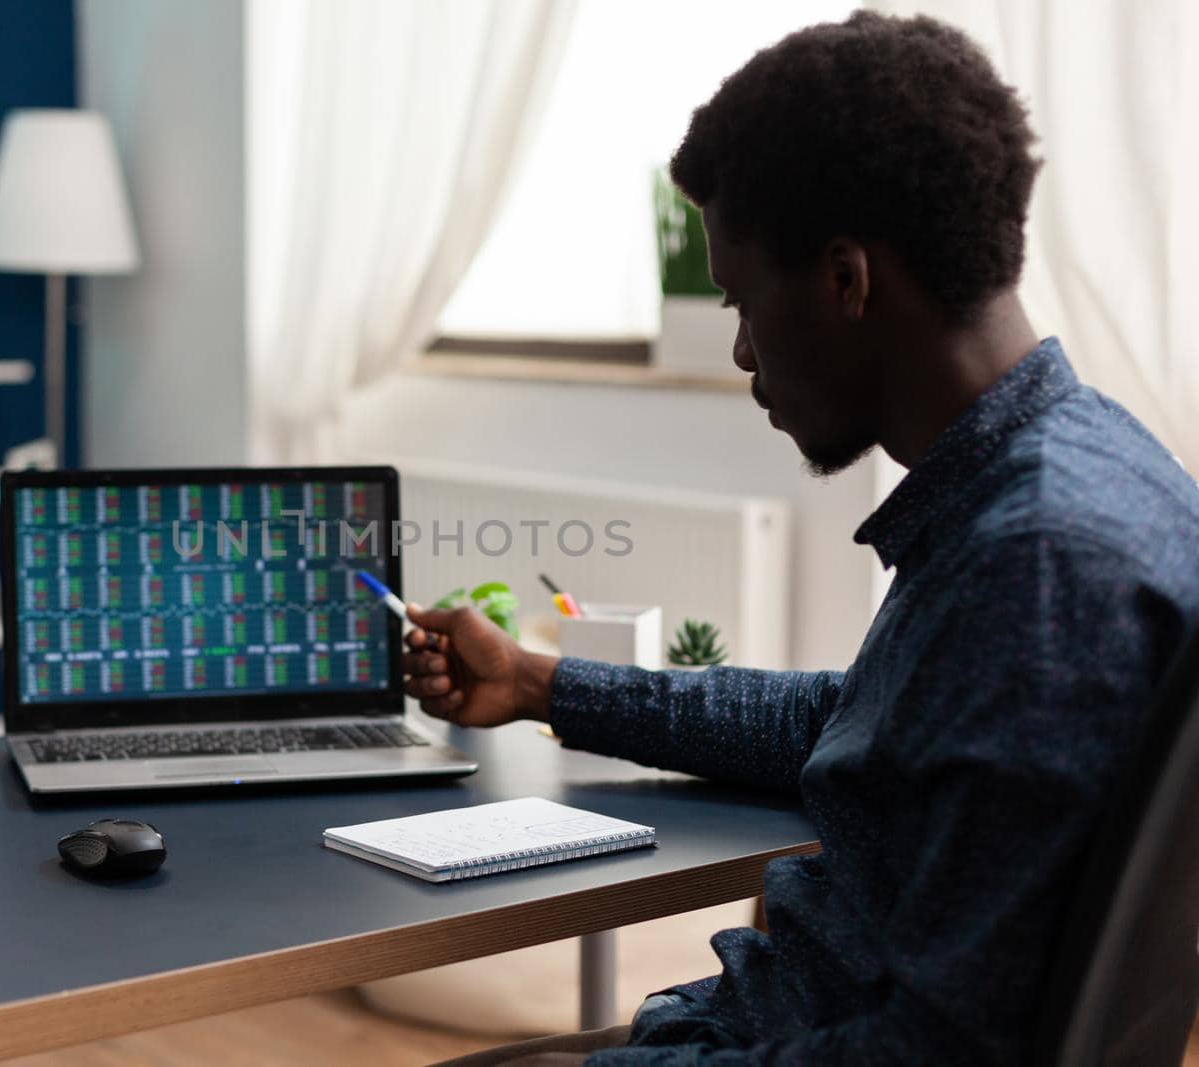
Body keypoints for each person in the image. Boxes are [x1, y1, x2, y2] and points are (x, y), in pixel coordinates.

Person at [409, 11, 1199, 1066]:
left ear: (845, 279)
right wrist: (536, 681)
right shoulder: (1085, 469)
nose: (740, 351)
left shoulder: (1039, 568)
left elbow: (941, 1053)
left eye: (742, 302)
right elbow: (854, 726)